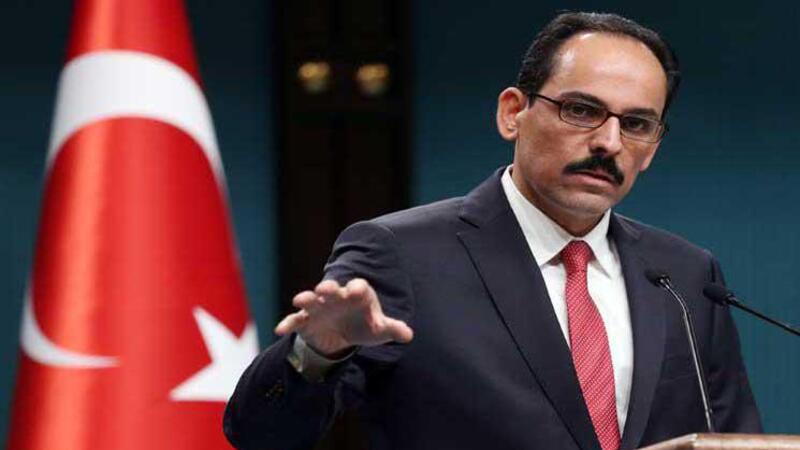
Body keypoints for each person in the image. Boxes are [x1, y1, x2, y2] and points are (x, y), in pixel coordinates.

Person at [224, 11, 762, 450]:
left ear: (652, 148)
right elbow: (262, 435)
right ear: (513, 113)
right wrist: (318, 352)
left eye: (637, 124)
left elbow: (739, 439)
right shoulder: (402, 255)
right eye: (582, 110)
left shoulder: (686, 276)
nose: (609, 143)